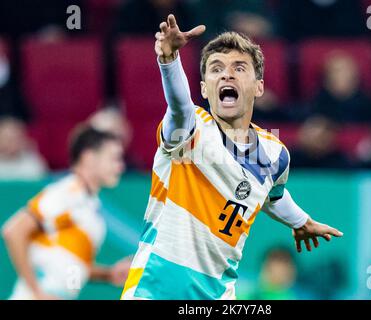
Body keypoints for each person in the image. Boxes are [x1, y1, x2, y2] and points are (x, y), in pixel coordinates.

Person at [121, 15, 343, 300]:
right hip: (154, 290)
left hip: (219, 295)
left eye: (239, 68)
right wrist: (169, 59)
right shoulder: (188, 131)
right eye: (216, 69)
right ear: (203, 88)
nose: (227, 75)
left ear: (259, 87)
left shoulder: (275, 154)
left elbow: (272, 195)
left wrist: (301, 221)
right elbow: (178, 104)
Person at [1, 126, 130, 299]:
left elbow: (73, 267)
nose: (120, 167)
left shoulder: (89, 204)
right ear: (89, 157)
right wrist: (37, 293)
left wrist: (108, 274)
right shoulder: (67, 193)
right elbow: (13, 231)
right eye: (114, 159)